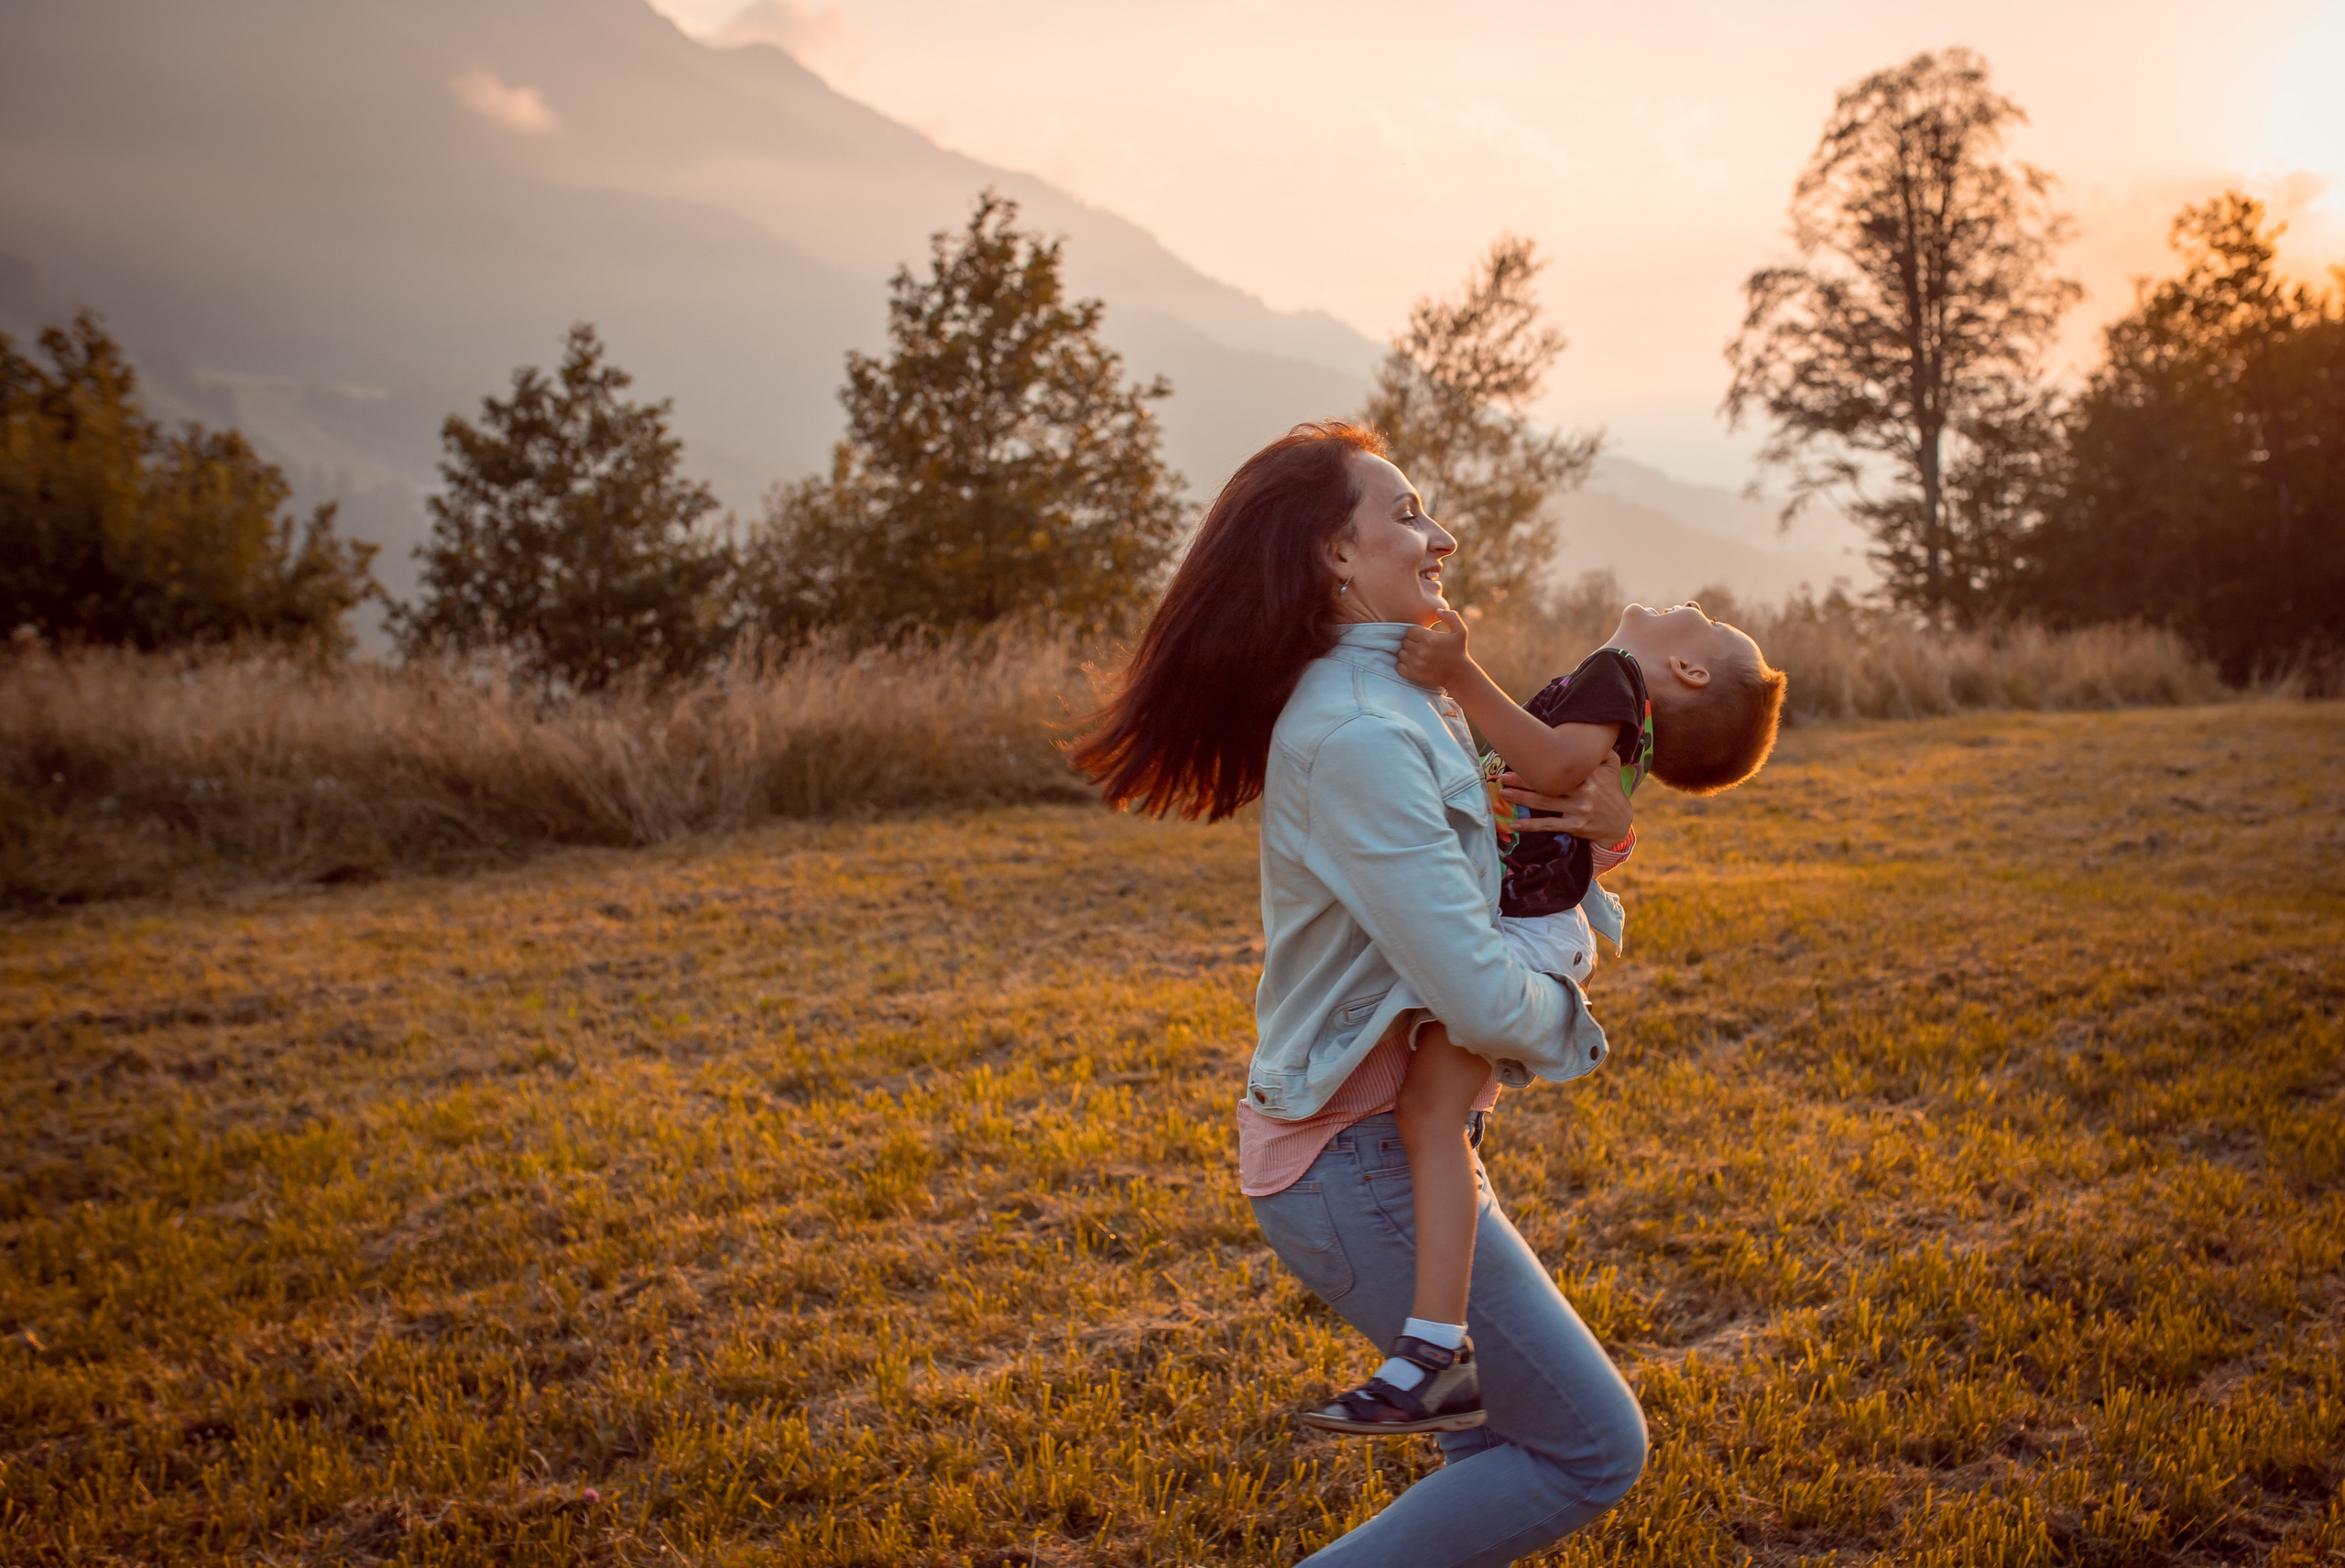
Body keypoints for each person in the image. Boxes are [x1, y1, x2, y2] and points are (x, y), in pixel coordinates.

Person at [1072, 422, 1646, 1567]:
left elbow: (1498, 866)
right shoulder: (1355, 733)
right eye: (1406, 513)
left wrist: (1602, 827)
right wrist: (1571, 1014)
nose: (1438, 535)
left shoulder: (1396, 695)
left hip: (1383, 1147)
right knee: (1589, 1447)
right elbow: (1482, 1001)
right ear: (1335, 557)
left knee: (1490, 1450)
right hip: (1353, 1163)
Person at [1296, 602, 1787, 1435]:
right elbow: (1562, 790)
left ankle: (1434, 1353)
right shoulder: (1620, 699)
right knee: (1430, 1113)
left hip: (1524, 936)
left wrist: (1458, 671)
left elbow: (1557, 767)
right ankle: (1436, 1341)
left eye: (1702, 622)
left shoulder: (1616, 673)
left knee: (1429, 1113)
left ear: (1690, 672)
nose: (1689, 607)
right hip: (1527, 927)